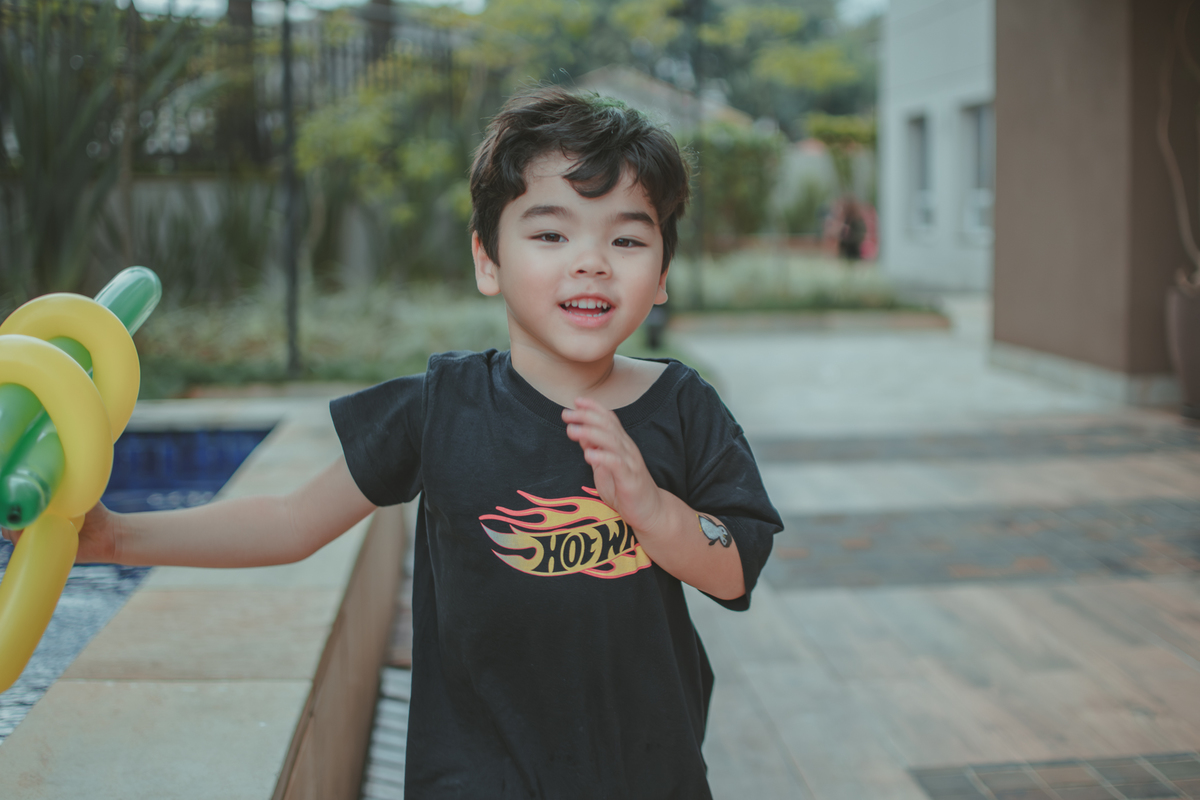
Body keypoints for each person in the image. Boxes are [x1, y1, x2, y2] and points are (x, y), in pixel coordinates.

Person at [10, 88, 782, 798]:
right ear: (489, 261)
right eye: (550, 232)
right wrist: (114, 538)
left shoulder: (684, 409)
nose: (591, 261)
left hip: (646, 772)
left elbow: (732, 561)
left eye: (627, 240)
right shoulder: (440, 406)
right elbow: (289, 521)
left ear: (663, 275)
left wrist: (653, 509)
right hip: (477, 775)